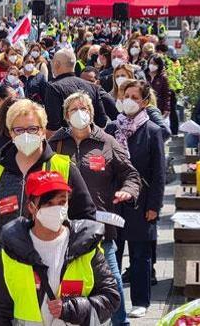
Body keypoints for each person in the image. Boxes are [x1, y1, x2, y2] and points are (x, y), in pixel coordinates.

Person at [0, 99, 96, 288]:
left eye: (32, 129)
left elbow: (86, 215)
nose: (26, 135)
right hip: (5, 267)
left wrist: (71, 254)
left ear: (43, 131)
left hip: (53, 267)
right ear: (10, 133)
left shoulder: (62, 167)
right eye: (19, 130)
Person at [49, 91, 142, 326]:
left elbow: (131, 174)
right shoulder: (55, 144)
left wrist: (127, 191)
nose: (80, 113)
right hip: (62, 227)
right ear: (66, 115)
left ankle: (120, 323)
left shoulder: (107, 142)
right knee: (65, 282)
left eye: (84, 108)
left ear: (91, 113)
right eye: (73, 109)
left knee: (113, 283)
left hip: (100, 227)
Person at [0, 171, 120, 325]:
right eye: (48, 203)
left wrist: (72, 308)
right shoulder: (13, 250)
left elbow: (111, 297)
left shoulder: (85, 245)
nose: (56, 209)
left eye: (62, 202)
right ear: (31, 207)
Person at [105, 80, 166, 319]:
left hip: (141, 202)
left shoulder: (152, 131)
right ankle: (113, 299)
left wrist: (154, 206)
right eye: (125, 94)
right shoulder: (111, 128)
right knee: (113, 252)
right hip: (113, 201)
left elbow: (159, 172)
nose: (128, 99)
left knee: (140, 253)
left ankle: (141, 300)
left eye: (134, 96)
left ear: (144, 102)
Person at [44, 49, 113, 135]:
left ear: (57, 64)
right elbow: (102, 121)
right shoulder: (93, 87)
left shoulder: (54, 88)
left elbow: (52, 127)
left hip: (66, 145)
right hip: (92, 142)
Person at [146, 54, 171, 124]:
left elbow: (167, 94)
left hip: (159, 107)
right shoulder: (144, 75)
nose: (152, 65)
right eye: (151, 63)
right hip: (145, 107)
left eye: (154, 64)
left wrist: (167, 109)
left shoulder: (163, 78)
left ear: (159, 65)